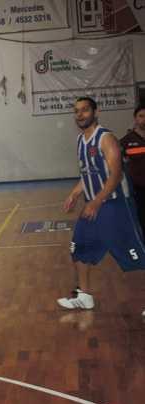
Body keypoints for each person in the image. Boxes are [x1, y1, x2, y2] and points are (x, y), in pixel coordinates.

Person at [57, 97, 145, 313]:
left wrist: (96, 201)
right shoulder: (80, 140)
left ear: (96, 112)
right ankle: (85, 296)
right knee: (79, 248)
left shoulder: (106, 138)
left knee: (136, 255)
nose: (80, 114)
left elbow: (116, 175)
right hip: (93, 205)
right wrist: (74, 194)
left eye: (85, 110)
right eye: (76, 111)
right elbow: (87, 174)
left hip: (116, 205)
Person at [120, 105, 145, 234]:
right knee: (142, 219)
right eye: (141, 116)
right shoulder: (126, 141)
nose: (144, 119)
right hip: (138, 190)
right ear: (135, 119)